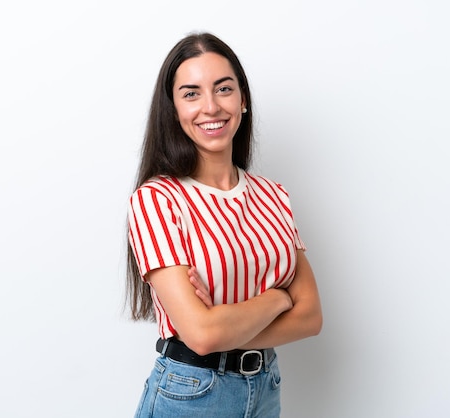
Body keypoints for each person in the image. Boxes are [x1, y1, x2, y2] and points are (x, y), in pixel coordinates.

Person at [126, 32, 323, 417]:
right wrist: (278, 299)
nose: (211, 106)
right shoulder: (157, 200)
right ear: (174, 109)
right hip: (192, 394)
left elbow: (312, 316)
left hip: (265, 386)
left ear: (243, 99)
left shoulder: (272, 195)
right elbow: (201, 335)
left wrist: (224, 321)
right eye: (191, 93)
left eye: (223, 88)